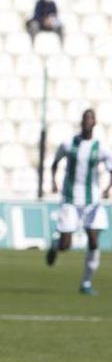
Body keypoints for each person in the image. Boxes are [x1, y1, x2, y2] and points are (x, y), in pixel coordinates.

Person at [45, 109, 112, 295]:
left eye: (90, 119)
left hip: (92, 202)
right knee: (67, 244)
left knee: (93, 241)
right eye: (85, 119)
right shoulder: (68, 144)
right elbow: (55, 163)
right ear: (81, 122)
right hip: (70, 199)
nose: (87, 122)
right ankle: (56, 246)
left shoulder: (101, 147)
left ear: (95, 123)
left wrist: (107, 189)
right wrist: (54, 182)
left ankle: (86, 283)